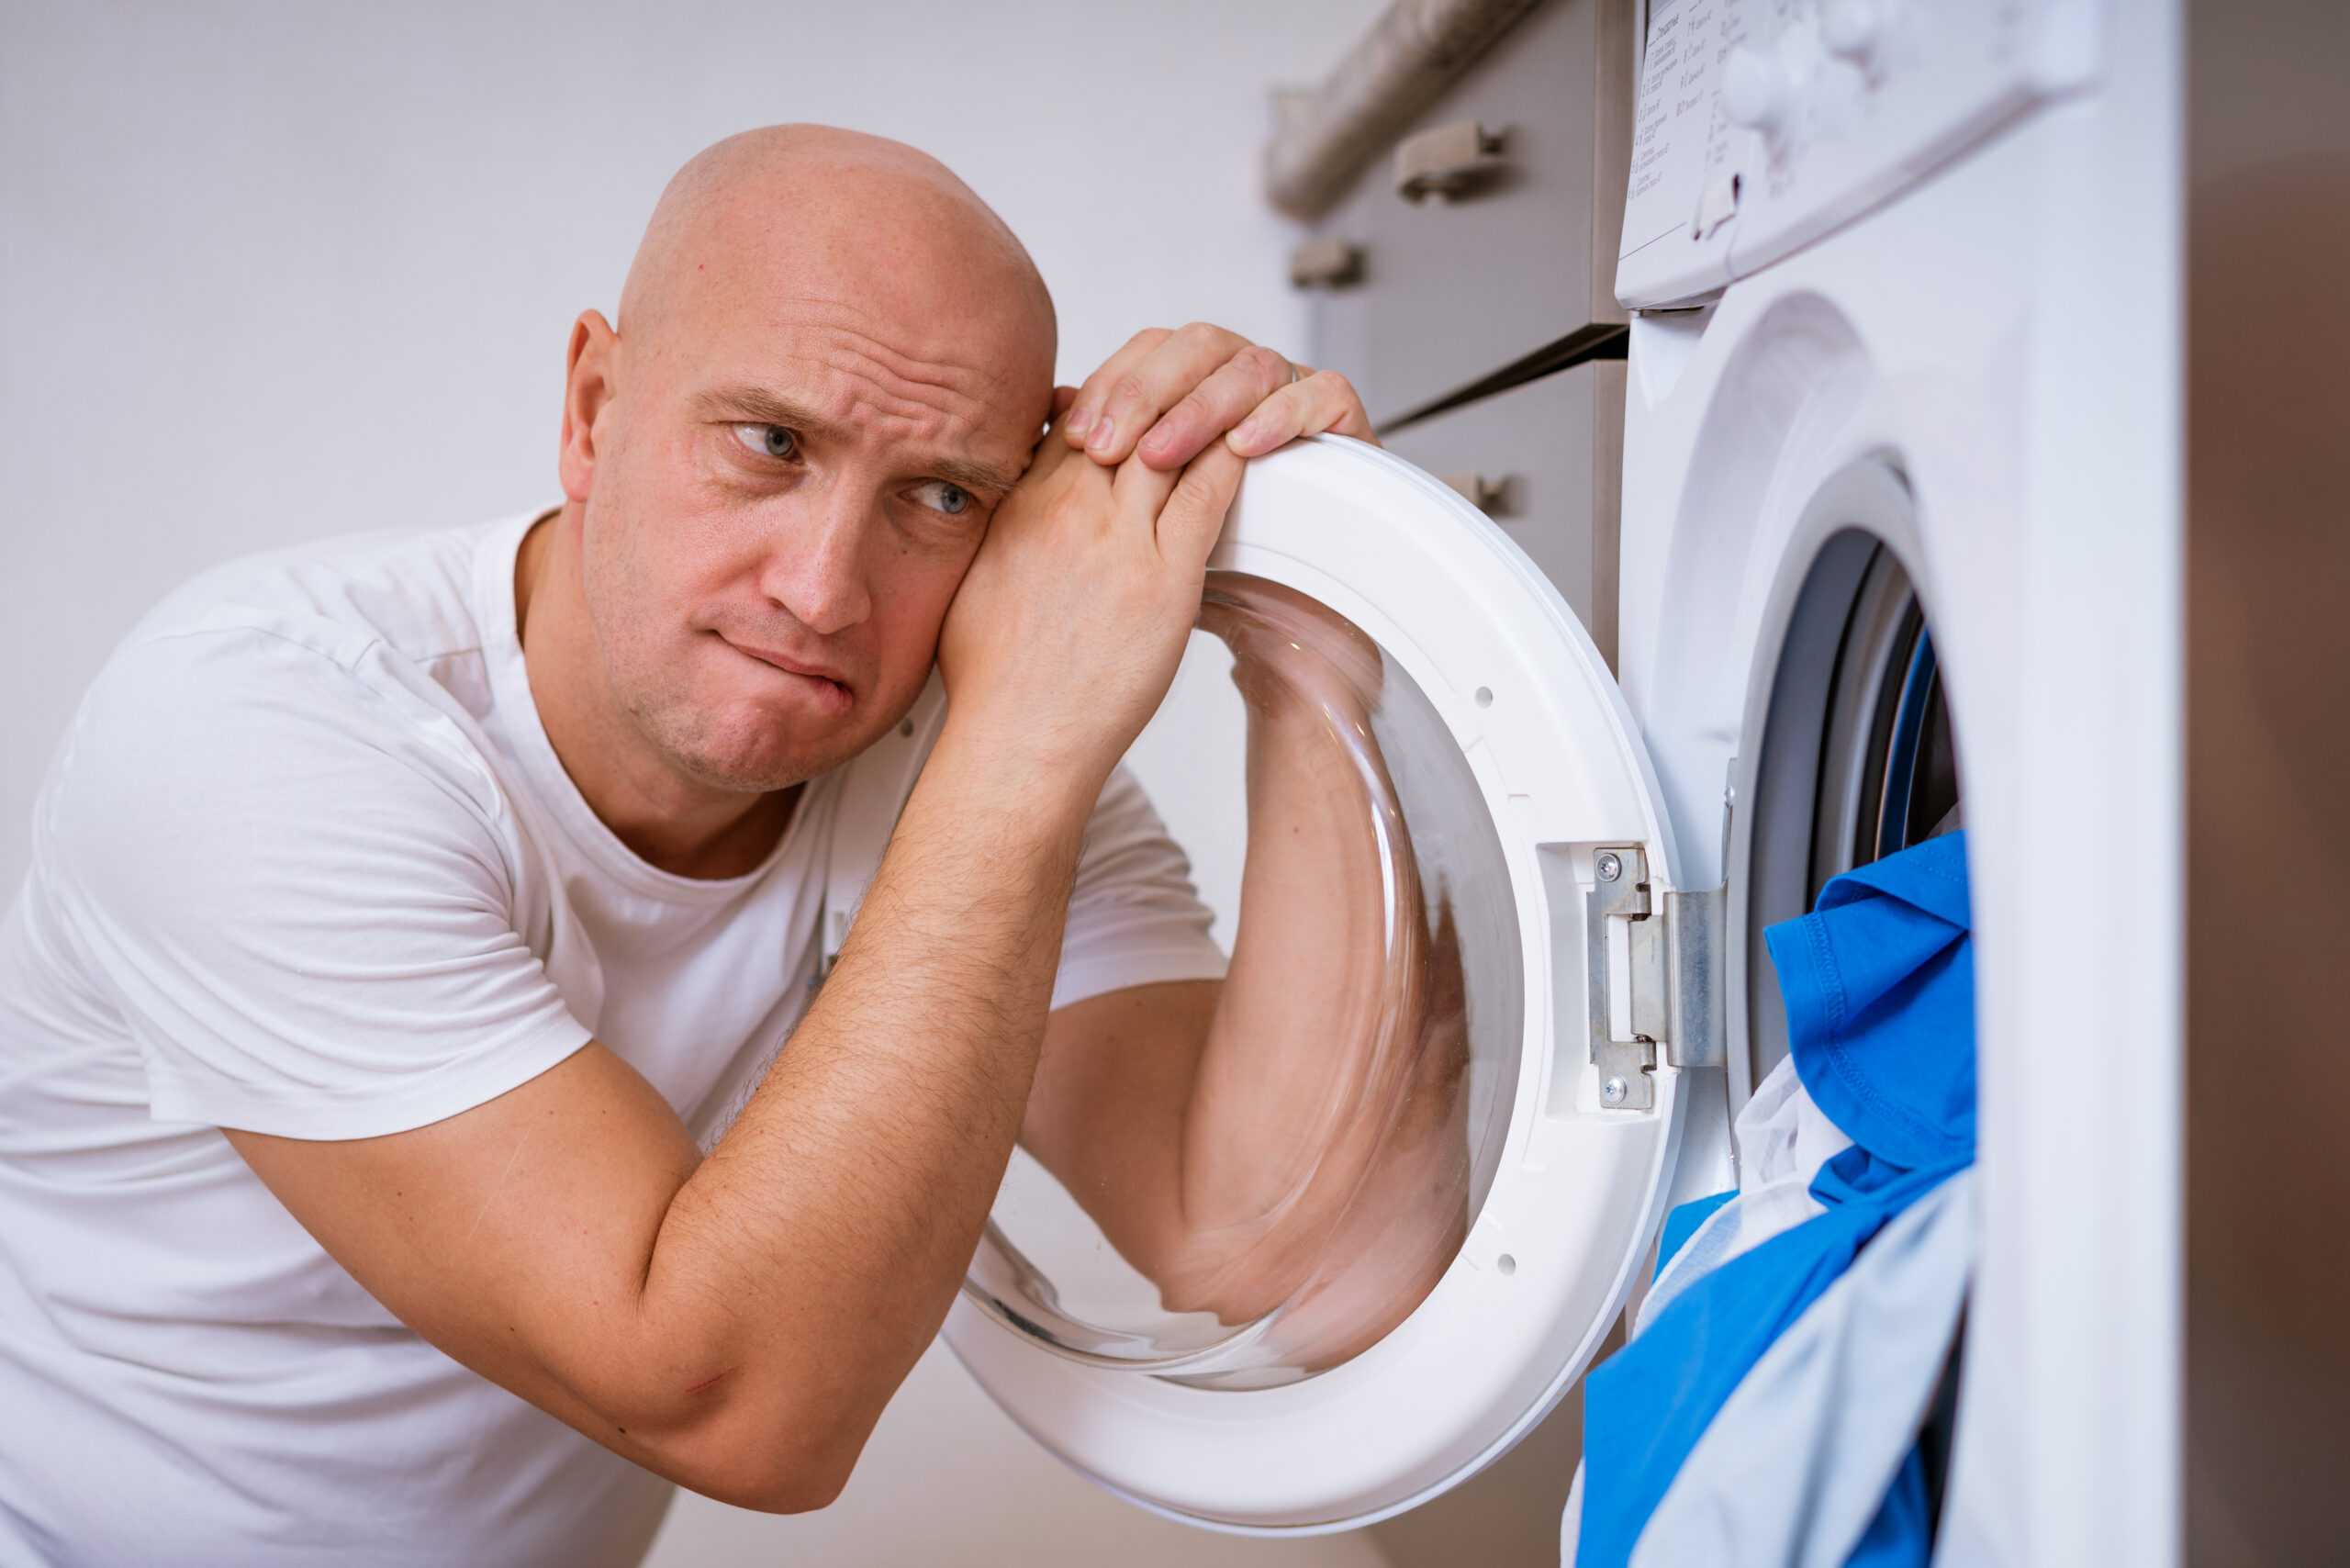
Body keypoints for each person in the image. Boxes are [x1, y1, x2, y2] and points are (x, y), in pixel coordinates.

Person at [0, 124, 1442, 1567]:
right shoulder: (257, 729)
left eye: (941, 495)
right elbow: (737, 1407)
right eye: (773, 444)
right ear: (593, 406)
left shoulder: (958, 750)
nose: (824, 592)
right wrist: (1018, 753)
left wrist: (1311, 654)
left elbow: (1280, 1247)